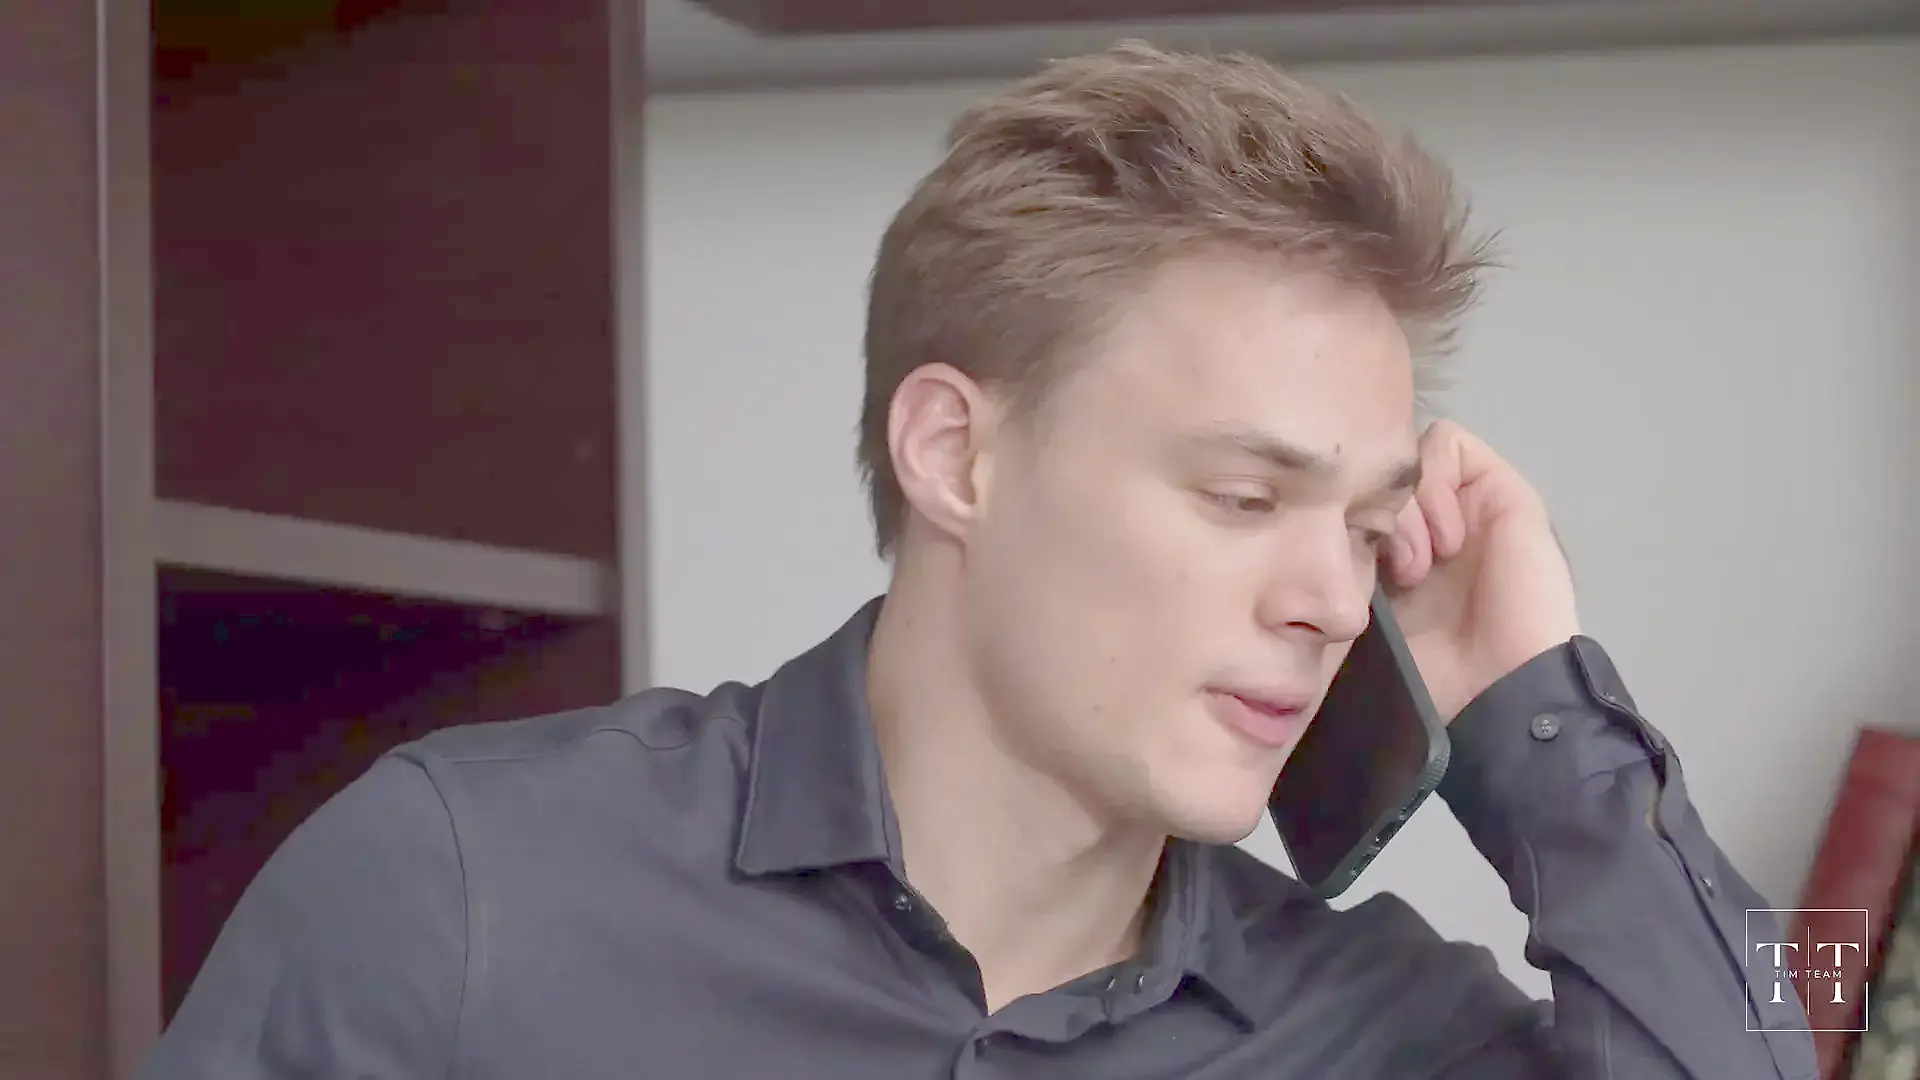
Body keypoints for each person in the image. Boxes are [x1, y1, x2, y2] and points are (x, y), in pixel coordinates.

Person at [139, 40, 1817, 1080]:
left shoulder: (1375, 1027)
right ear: (954, 453)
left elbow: (1765, 1031)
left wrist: (1543, 718)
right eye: (1246, 497)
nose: (1328, 602)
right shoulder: (464, 891)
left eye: (1368, 532)